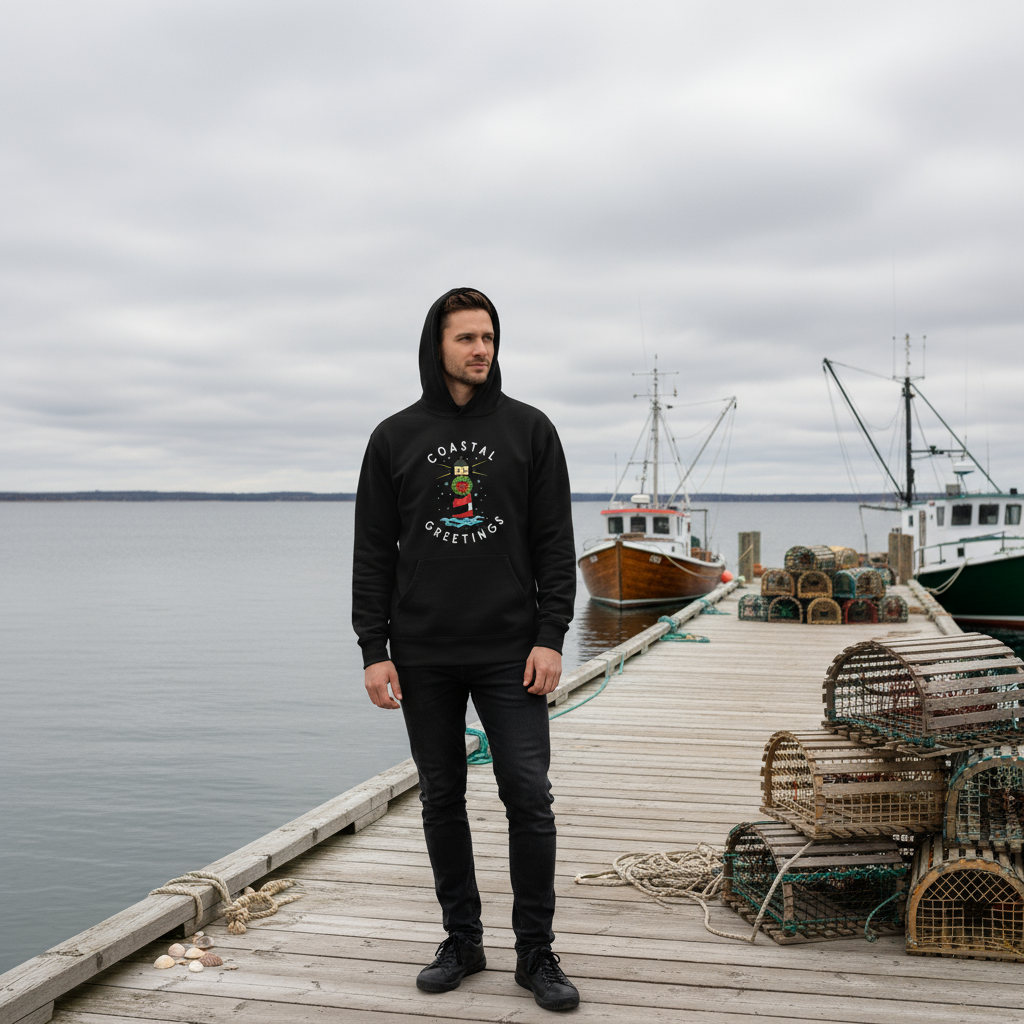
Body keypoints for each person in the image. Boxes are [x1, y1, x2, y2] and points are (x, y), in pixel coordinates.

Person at [352, 287, 579, 1012]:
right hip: (421, 652)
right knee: (441, 797)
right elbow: (372, 554)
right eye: (466, 339)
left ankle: (536, 953)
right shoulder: (394, 437)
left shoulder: (531, 431)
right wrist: (373, 647)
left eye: (489, 337)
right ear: (436, 346)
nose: (481, 349)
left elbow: (554, 545)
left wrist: (551, 635)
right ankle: (463, 939)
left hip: (511, 651)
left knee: (527, 795)